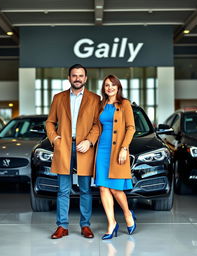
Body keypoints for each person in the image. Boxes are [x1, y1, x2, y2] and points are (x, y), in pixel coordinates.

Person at [46, 64, 100, 239]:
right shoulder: (58, 97)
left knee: (85, 189)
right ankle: (62, 226)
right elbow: (50, 122)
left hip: (84, 148)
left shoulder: (95, 99)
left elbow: (97, 125)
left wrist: (90, 141)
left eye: (81, 76)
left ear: (85, 78)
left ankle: (85, 225)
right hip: (64, 147)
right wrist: (55, 139)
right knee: (63, 190)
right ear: (69, 78)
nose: (77, 78)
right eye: (74, 75)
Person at [95, 74, 136, 240]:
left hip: (117, 149)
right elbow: (96, 126)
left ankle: (127, 214)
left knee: (116, 189)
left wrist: (124, 148)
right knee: (103, 187)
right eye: (106, 85)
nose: (110, 88)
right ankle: (111, 224)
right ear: (104, 88)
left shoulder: (124, 104)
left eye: (113, 85)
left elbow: (131, 128)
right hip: (102, 150)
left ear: (118, 87)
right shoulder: (101, 104)